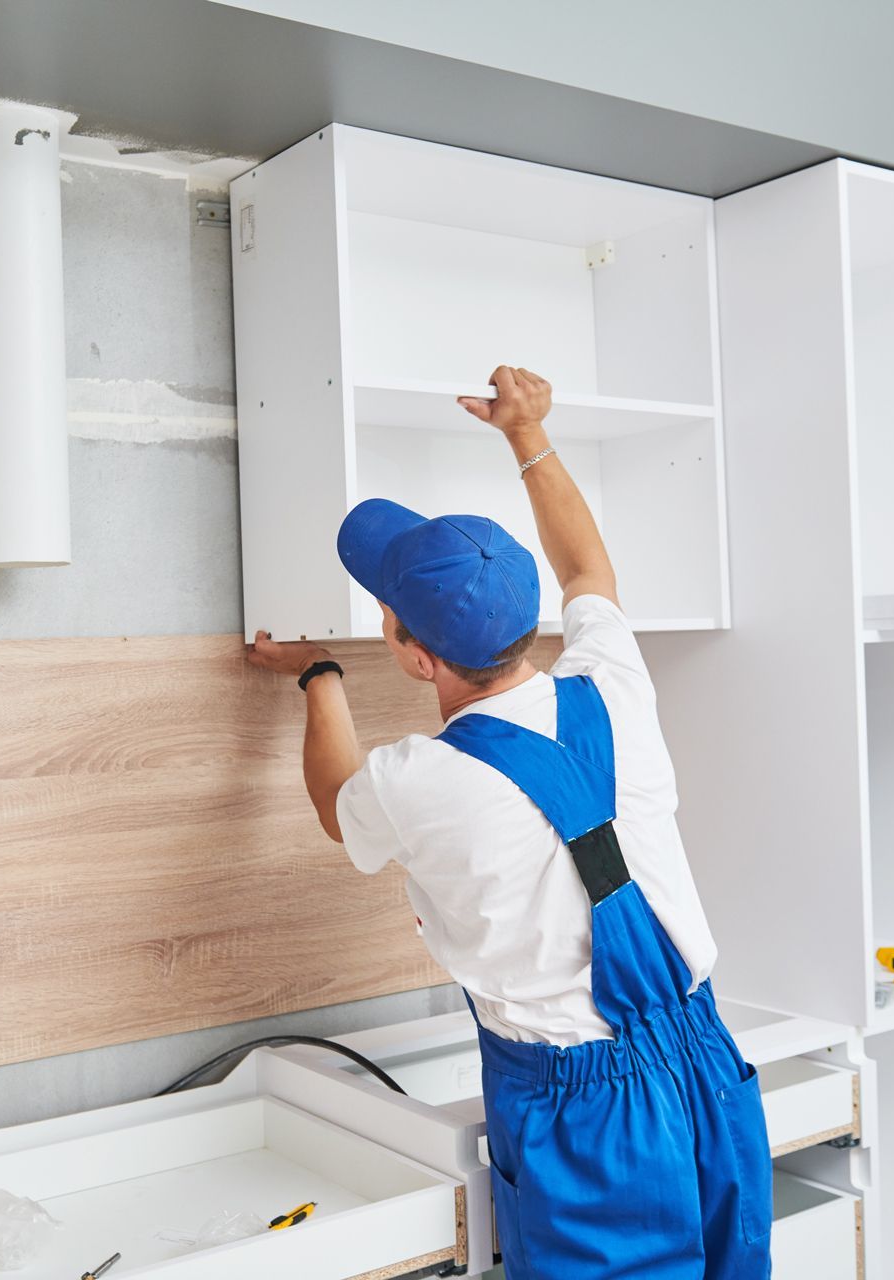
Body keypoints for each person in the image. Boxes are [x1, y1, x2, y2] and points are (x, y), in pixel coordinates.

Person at [247, 366, 773, 1279]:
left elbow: (339, 807)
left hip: (588, 1110)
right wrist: (526, 431)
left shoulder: (423, 776)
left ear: (414, 656)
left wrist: (319, 677)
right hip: (705, 1060)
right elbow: (588, 570)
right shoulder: (611, 678)